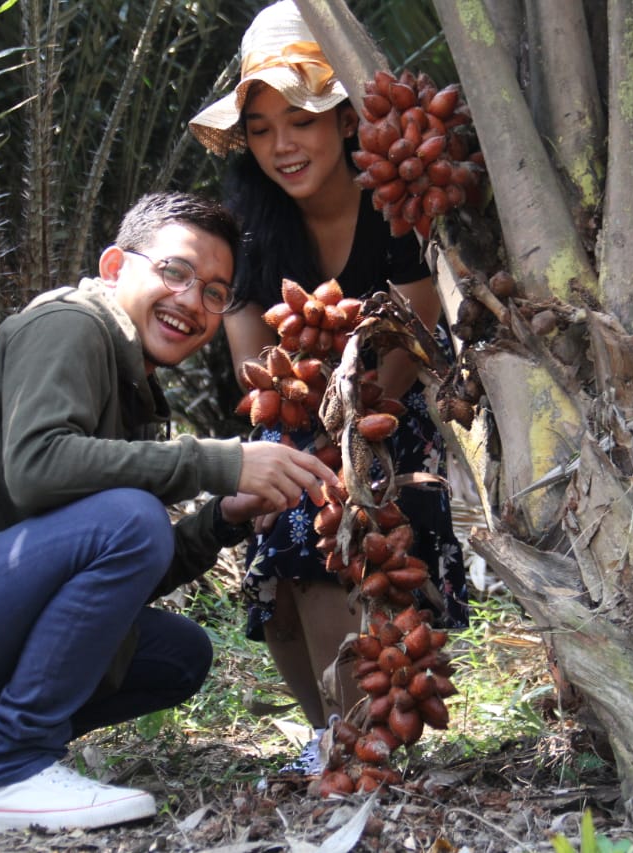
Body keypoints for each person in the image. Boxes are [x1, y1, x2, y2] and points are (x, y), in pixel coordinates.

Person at [0, 191, 338, 833]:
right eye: (175, 272)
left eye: (214, 292)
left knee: (176, 656)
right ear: (116, 266)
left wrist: (223, 518)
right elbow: (39, 468)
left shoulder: (129, 384)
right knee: (131, 518)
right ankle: (9, 768)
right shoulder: (71, 323)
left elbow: (115, 570)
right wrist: (217, 460)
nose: (190, 303)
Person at [189, 0, 468, 776]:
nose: (281, 145)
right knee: (287, 514)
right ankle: (332, 734)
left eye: (300, 120)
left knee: (339, 520)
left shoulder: (393, 195)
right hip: (296, 415)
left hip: (389, 412)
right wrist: (310, 432)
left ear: (345, 121)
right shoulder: (247, 215)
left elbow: (411, 341)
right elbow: (257, 365)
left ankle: (359, 736)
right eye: (262, 127)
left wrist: (350, 428)